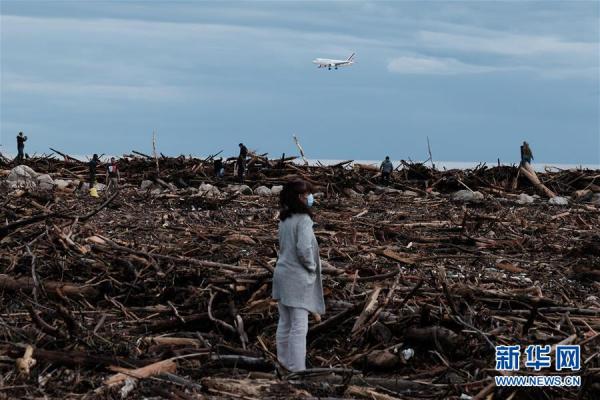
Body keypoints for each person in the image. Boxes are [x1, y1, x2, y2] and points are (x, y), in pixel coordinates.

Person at [272, 180, 325, 372]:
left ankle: (283, 364)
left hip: (282, 273)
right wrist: (311, 266)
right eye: (305, 195)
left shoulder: (284, 218)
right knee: (299, 325)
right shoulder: (303, 220)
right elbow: (303, 248)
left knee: (285, 322)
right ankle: (297, 369)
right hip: (296, 277)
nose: (308, 198)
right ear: (298, 198)